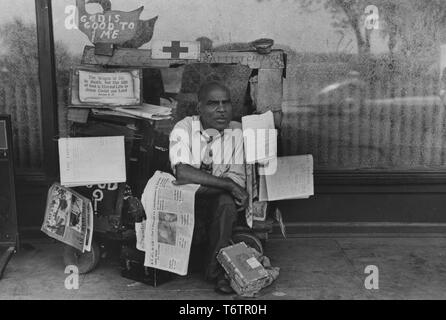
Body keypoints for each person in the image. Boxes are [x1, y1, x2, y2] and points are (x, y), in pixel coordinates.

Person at [169, 81, 249, 294]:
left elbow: (239, 181)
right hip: (186, 202)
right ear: (199, 108)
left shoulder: (237, 132)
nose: (222, 109)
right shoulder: (184, 128)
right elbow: (182, 173)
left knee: (226, 204)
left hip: (214, 199)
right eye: (213, 104)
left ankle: (215, 271)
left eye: (226, 103)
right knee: (223, 194)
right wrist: (227, 184)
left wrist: (221, 185)